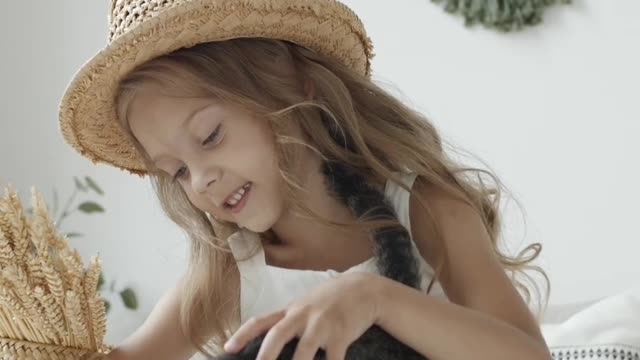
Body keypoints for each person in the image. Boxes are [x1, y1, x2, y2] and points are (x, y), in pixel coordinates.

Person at [59, 1, 551, 359]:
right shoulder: (229, 270)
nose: (202, 180)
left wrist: (376, 298)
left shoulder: (423, 208)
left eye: (210, 136)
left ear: (295, 88)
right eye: (177, 172)